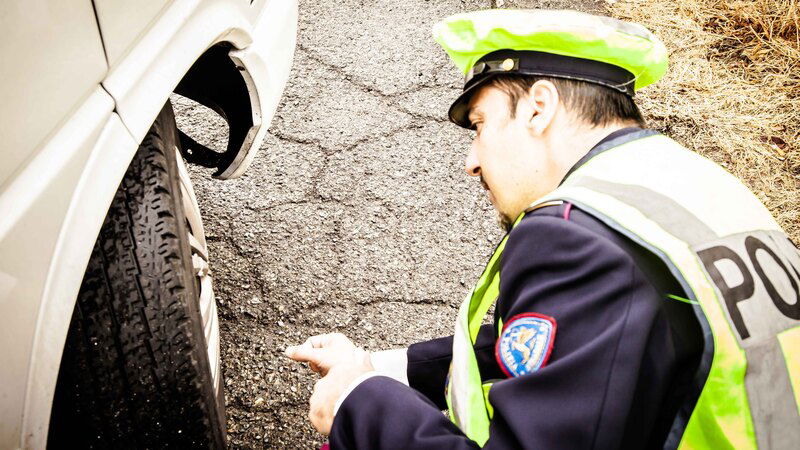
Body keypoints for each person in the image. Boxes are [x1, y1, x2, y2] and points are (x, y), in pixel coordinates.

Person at [287, 9, 800, 449]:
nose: (471, 162)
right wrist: (385, 367)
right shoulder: (697, 187)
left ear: (539, 107)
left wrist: (360, 403)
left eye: (481, 124)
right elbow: (590, 348)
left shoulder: (577, 233)